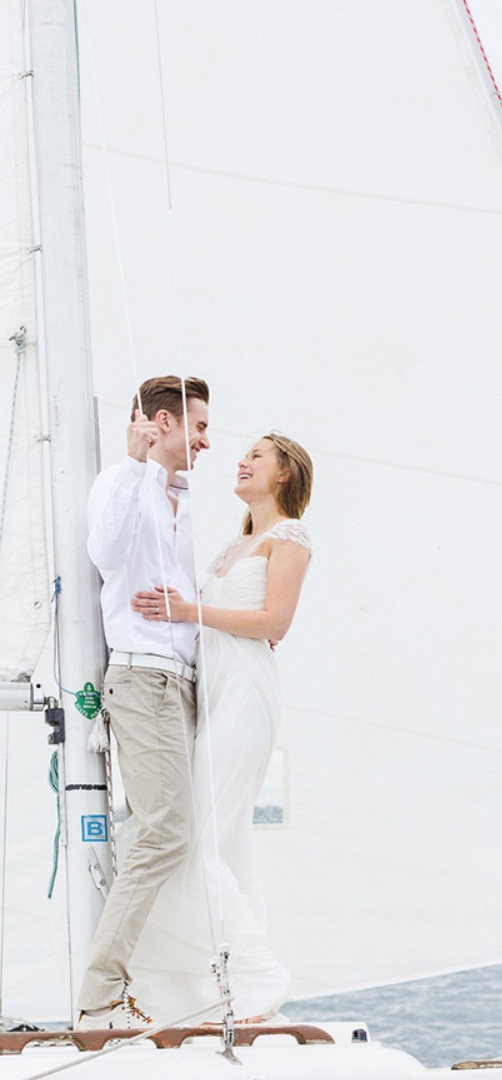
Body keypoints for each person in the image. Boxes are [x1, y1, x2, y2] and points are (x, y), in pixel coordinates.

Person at [127, 432, 313, 1024]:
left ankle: (252, 984)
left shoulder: (289, 538)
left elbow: (273, 621)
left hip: (247, 693)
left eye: (257, 455)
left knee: (202, 834)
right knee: (227, 843)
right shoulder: (234, 545)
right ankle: (221, 993)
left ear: (283, 473)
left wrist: (188, 610)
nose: (242, 460)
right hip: (213, 692)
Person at [77, 375, 211, 1028]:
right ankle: (100, 991)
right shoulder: (122, 482)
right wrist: (134, 465)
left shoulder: (184, 497)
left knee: (173, 835)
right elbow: (102, 552)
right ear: (160, 423)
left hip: (181, 684)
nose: (207, 442)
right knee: (163, 831)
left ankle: (156, 986)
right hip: (143, 678)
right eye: (199, 427)